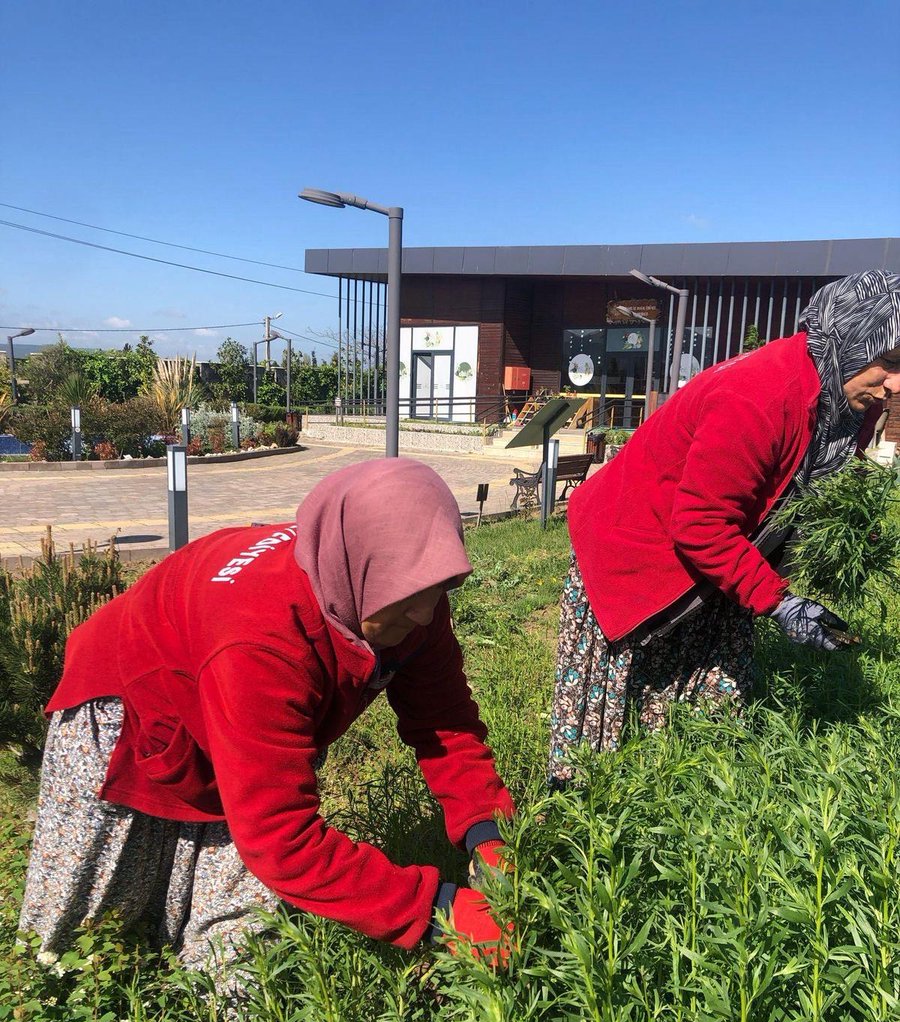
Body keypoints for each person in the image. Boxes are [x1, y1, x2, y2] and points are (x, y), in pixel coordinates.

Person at [19, 459, 515, 985]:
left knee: (241, 943)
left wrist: (490, 832)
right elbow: (281, 837)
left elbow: (445, 723)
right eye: (406, 597)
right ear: (356, 569)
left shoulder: (410, 594)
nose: (423, 615)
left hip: (235, 706)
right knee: (87, 943)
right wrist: (439, 913)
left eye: (437, 590)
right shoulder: (263, 637)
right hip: (132, 705)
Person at [548, 270, 900, 783]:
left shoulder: (849, 395)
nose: (896, 385)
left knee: (708, 733)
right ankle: (569, 828)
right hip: (633, 553)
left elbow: (812, 486)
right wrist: (779, 602)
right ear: (852, 336)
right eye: (888, 362)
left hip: (721, 562)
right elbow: (699, 525)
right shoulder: (762, 394)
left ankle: (678, 811)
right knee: (599, 746)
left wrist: (853, 534)